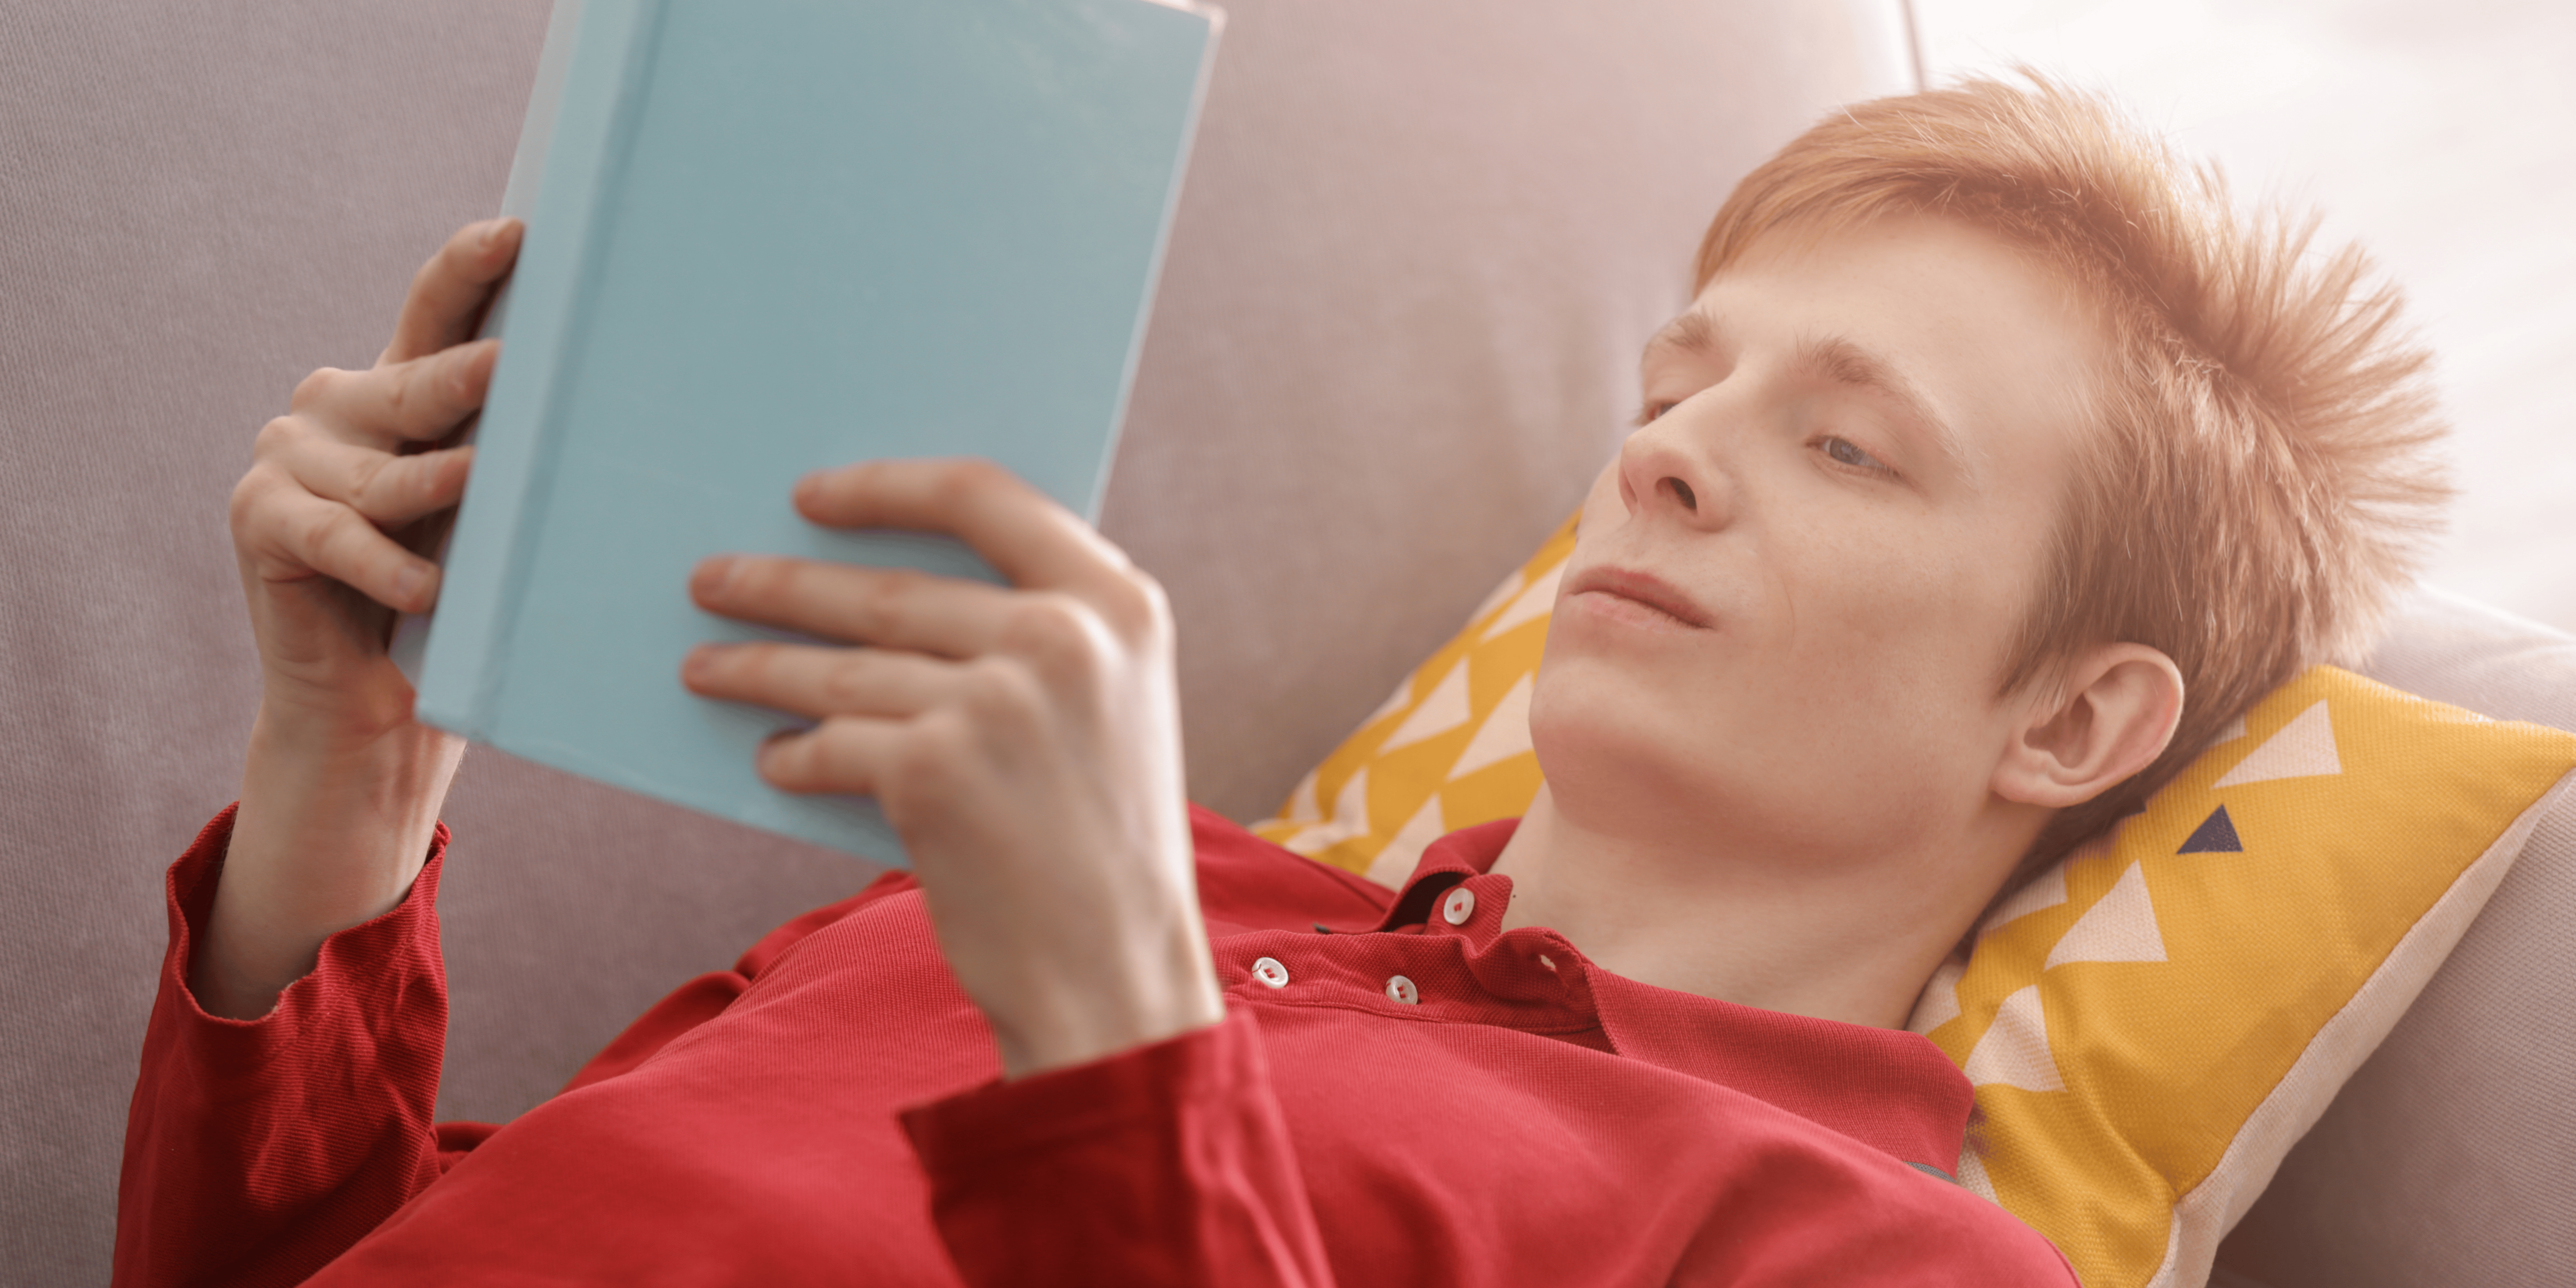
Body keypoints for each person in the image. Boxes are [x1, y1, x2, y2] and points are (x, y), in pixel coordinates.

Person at [114, 78, 2446, 1286]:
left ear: (2070, 725)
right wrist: (346, 790)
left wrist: (1114, 1037)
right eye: (1679, 384)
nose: (1669, 459)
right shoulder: (1002, 903)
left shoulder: (1864, 1247)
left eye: (1845, 444)